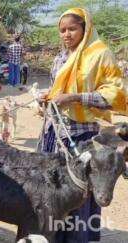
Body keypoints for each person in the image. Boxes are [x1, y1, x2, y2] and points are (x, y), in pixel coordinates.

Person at [37, 8, 127, 243]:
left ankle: (77, 238)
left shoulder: (100, 54)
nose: (66, 34)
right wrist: (47, 97)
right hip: (54, 133)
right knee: (54, 189)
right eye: (62, 30)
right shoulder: (61, 57)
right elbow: (58, 90)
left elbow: (115, 94)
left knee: (79, 190)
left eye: (72, 29)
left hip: (82, 136)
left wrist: (76, 98)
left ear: (85, 28)